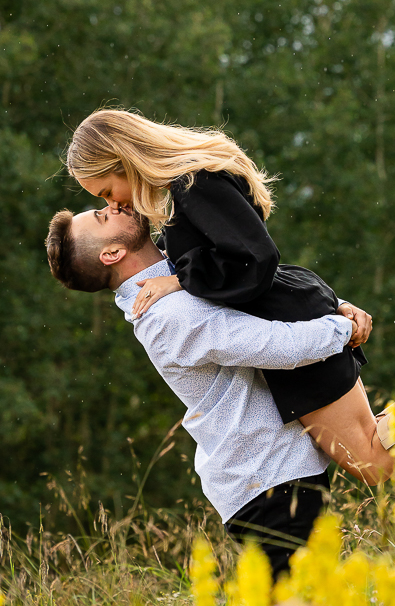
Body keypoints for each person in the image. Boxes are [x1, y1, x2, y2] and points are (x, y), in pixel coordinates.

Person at [63, 107, 395, 484]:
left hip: (285, 324)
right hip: (282, 316)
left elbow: (254, 261)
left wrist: (178, 279)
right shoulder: (181, 190)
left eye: (107, 191)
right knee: (373, 454)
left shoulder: (194, 185)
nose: (115, 203)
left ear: (123, 159)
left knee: (374, 461)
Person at [44, 202, 356, 576]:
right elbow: (279, 346)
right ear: (112, 253)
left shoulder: (183, 271)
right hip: (268, 481)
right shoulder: (169, 315)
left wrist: (335, 304)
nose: (114, 205)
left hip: (274, 473)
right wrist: (345, 327)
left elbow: (264, 291)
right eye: (103, 216)